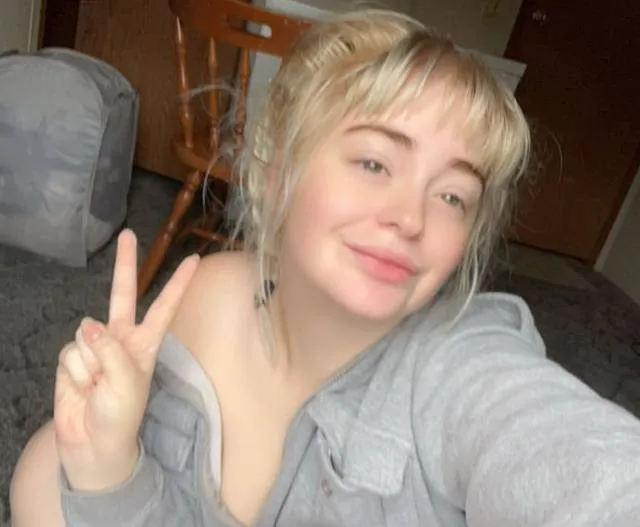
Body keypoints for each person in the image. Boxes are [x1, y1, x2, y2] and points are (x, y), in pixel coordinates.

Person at [10, 9, 640, 527]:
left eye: (453, 196)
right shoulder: (209, 292)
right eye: (375, 163)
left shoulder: (463, 365)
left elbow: (585, 469)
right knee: (51, 470)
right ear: (276, 170)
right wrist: (110, 467)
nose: (411, 218)